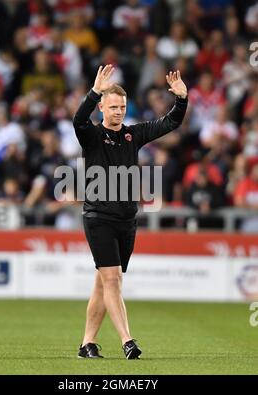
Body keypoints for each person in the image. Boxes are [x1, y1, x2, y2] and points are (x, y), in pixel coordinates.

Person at [73, 64, 188, 359]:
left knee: (103, 282)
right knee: (113, 280)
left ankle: (87, 343)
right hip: (99, 217)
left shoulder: (132, 135)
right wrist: (93, 91)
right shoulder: (92, 136)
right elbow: (77, 120)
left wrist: (181, 99)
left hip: (126, 220)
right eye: (112, 107)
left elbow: (169, 124)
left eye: (122, 107)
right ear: (101, 107)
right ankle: (127, 341)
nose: (118, 111)